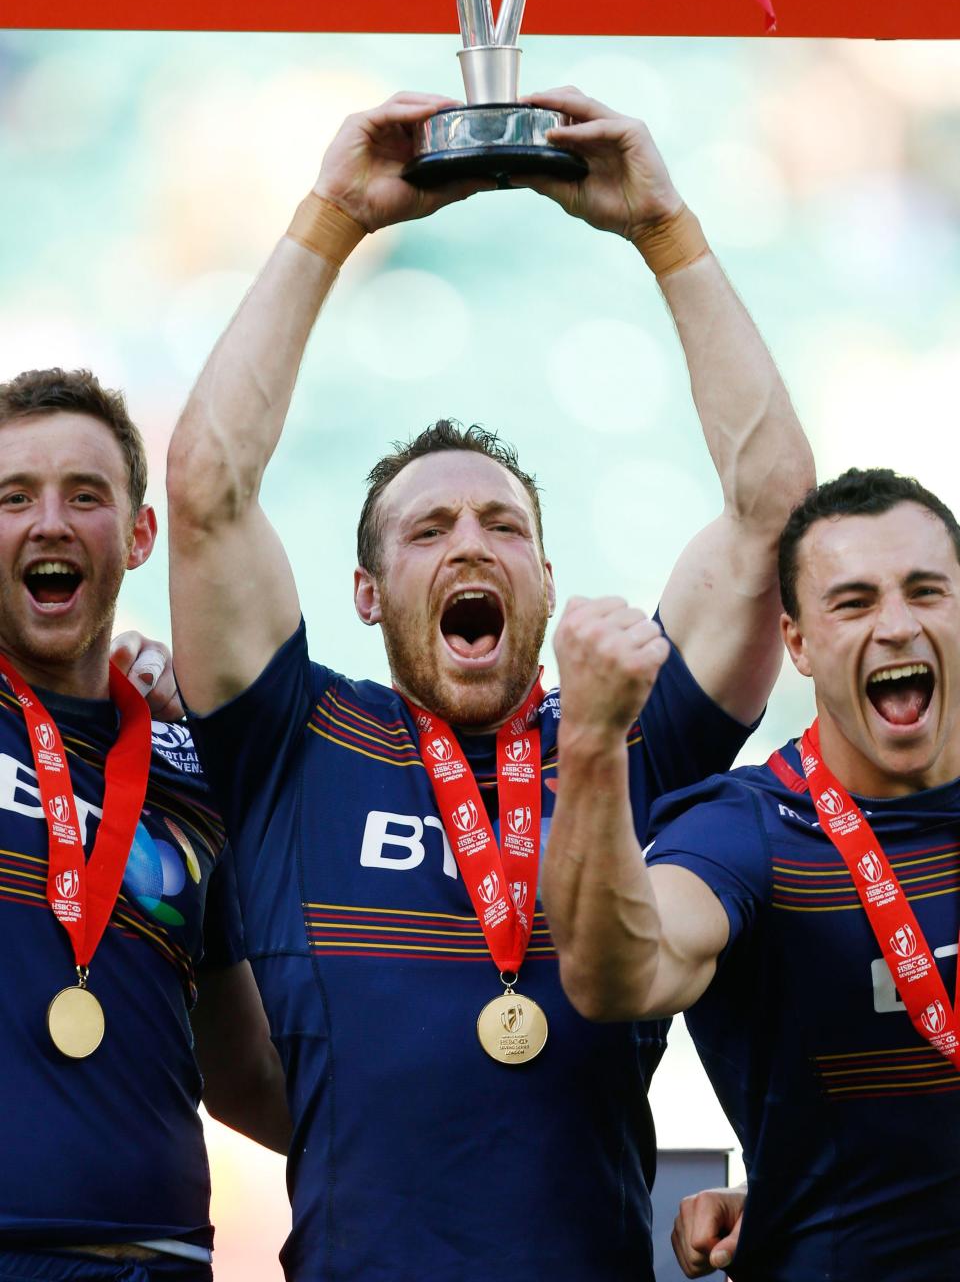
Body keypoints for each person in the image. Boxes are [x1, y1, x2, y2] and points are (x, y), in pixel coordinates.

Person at [165, 87, 814, 1282]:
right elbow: (206, 487)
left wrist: (665, 232)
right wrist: (332, 221)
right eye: (426, 531)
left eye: (501, 525)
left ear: (547, 577)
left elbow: (777, 514)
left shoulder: (626, 744)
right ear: (366, 594)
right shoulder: (295, 741)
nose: (469, 544)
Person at [545, 466, 960, 1281]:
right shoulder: (749, 830)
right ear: (797, 643)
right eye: (854, 601)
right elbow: (618, 975)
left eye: (926, 591)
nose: (899, 625)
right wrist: (592, 745)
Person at [0, 367, 290, 1282]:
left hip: (159, 1258)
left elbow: (245, 1070)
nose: (51, 522)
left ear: (138, 535)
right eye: (14, 497)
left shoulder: (190, 766)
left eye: (85, 496)